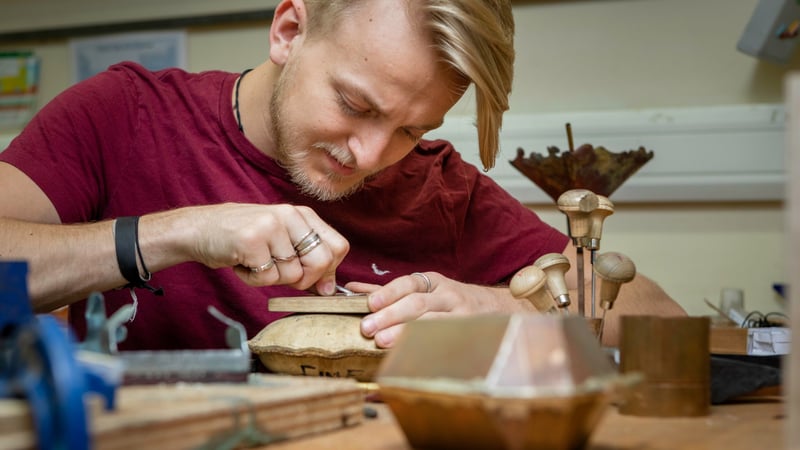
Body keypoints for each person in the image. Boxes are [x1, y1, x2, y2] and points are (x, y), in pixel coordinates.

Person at [0, 0, 684, 352]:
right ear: (290, 30)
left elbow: (659, 314)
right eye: (355, 105)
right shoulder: (124, 114)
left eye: (413, 129)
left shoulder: (439, 189)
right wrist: (179, 232)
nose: (370, 154)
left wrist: (512, 312)